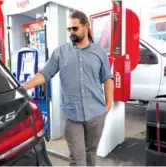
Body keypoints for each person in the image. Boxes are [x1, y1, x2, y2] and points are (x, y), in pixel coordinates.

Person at [23, 10, 114, 166]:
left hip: (96, 114)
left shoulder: (99, 52)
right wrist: (23, 87)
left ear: (86, 27)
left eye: (75, 28)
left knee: (91, 154)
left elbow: (107, 78)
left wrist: (108, 105)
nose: (71, 32)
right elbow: (45, 74)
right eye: (69, 29)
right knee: (78, 159)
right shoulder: (60, 52)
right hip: (72, 115)